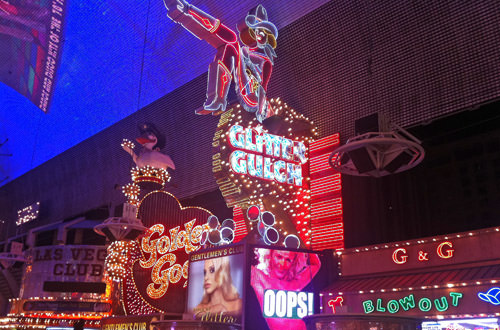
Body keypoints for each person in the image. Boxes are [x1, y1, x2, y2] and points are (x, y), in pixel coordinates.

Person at [163, 0, 278, 122]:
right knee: (229, 46)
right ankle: (217, 100)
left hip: (252, 94)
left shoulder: (265, 61)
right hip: (244, 80)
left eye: (262, 32)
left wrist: (261, 109)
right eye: (255, 30)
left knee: (232, 40)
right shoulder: (246, 51)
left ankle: (187, 10)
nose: (258, 35)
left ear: (267, 37)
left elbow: (263, 88)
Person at [251, 249, 321, 330]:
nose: (282, 264)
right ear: (270, 256)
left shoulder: (297, 282)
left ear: (294, 262)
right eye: (279, 257)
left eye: (288, 260)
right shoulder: (260, 279)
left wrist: (304, 243)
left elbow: (316, 264)